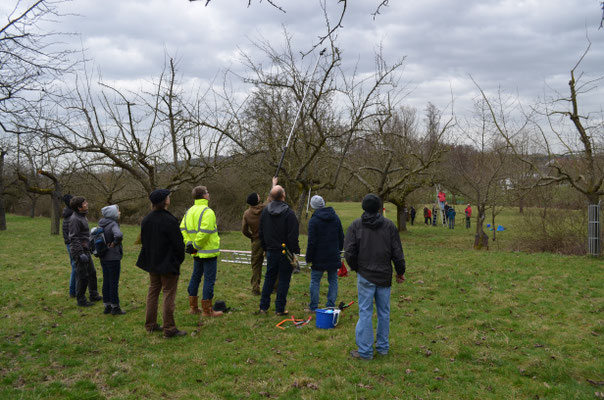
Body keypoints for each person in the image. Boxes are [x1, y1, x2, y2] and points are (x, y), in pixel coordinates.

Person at [344, 194, 405, 360]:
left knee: (366, 312)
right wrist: (400, 271)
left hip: (368, 275)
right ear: (379, 208)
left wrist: (357, 268)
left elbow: (349, 252)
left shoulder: (358, 226)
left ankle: (367, 350)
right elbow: (397, 253)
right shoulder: (384, 226)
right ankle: (380, 348)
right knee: (383, 312)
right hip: (380, 274)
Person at [136, 189, 186, 338]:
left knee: (153, 292)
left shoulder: (146, 220)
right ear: (165, 201)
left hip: (153, 262)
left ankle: (150, 325)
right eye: (168, 197)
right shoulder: (170, 220)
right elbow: (179, 244)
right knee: (168, 294)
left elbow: (144, 241)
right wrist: (178, 260)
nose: (169, 199)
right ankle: (169, 328)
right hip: (168, 263)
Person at [257, 184, 300, 316]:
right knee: (283, 280)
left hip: (271, 251)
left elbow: (261, 233)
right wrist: (294, 252)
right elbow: (293, 235)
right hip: (284, 252)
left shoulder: (265, 212)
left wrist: (265, 247)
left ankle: (263, 307)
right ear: (283, 196)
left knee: (269, 278)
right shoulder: (289, 213)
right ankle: (279, 309)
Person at [180, 186, 222, 317]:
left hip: (196, 252)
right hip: (208, 252)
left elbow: (182, 228)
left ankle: (193, 307)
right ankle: (207, 310)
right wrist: (196, 245)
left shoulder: (189, 212)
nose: (209, 194)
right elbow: (205, 232)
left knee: (195, 277)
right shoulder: (208, 212)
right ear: (204, 196)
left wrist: (189, 244)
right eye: (207, 192)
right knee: (209, 280)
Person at [305, 195, 344, 312]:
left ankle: (313, 307)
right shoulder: (335, 218)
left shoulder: (314, 221)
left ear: (313, 207)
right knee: (333, 280)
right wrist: (338, 250)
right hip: (333, 254)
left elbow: (311, 242)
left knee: (315, 281)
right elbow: (341, 237)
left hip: (318, 257)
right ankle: (330, 305)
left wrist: (309, 257)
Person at [242, 177, 278, 295]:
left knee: (256, 265)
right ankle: (274, 287)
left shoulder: (247, 213)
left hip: (256, 240)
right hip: (268, 240)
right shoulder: (266, 208)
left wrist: (252, 237)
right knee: (272, 264)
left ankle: (255, 289)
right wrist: (273, 184)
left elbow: (244, 230)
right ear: (257, 200)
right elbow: (271, 197)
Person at [69, 196, 102, 307]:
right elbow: (74, 238)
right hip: (79, 252)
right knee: (82, 276)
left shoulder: (82, 217)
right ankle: (81, 300)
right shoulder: (75, 219)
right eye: (84, 203)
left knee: (92, 273)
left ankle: (93, 294)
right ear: (79, 207)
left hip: (86, 250)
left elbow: (84, 235)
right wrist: (80, 253)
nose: (87, 204)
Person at [98, 204, 125, 315]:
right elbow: (118, 235)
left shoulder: (102, 223)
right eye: (117, 211)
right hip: (113, 257)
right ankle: (115, 307)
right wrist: (114, 243)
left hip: (103, 256)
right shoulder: (113, 224)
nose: (120, 213)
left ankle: (107, 305)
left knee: (106, 280)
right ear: (113, 214)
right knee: (113, 282)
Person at [61, 194, 76, 298]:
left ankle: (74, 290)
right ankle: (73, 291)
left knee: (74, 266)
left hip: (69, 243)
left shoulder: (68, 213)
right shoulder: (71, 216)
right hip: (72, 244)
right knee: (75, 267)